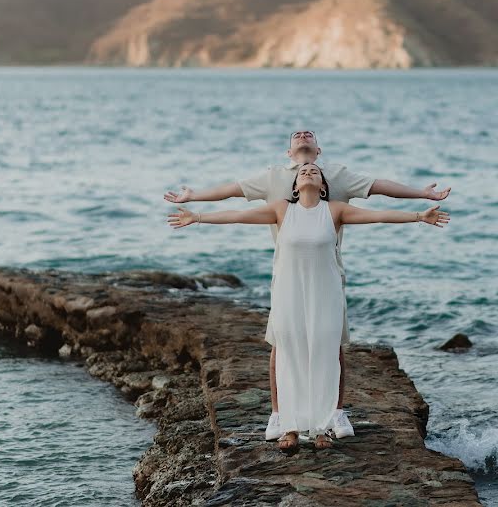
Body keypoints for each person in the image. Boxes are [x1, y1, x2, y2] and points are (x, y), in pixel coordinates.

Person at [164, 130, 451, 442]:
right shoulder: (275, 187)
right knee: (284, 345)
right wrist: (196, 207)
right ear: (289, 156)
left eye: (309, 137)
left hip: (327, 280)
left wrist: (421, 206)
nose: (303, 139)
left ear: (320, 156)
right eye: (296, 138)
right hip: (287, 280)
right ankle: (283, 418)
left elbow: (379, 203)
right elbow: (235, 205)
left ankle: (329, 418)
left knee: (328, 345)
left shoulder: (337, 183)